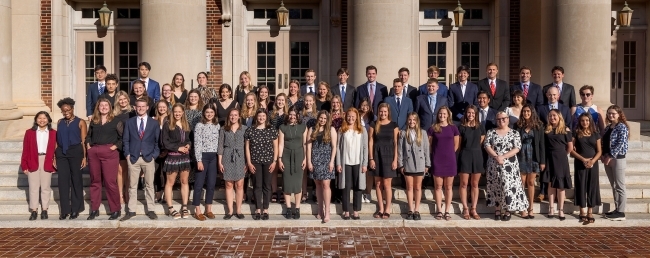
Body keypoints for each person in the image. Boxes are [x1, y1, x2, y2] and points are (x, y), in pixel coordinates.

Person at [121, 98, 161, 221]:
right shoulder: (129, 122)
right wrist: (127, 154)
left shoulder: (154, 123)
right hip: (133, 158)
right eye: (138, 106)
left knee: (149, 185)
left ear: (147, 107)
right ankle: (131, 210)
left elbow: (157, 142)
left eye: (143, 106)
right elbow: (125, 140)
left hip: (148, 158)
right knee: (132, 186)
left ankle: (151, 209)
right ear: (135, 107)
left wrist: (154, 155)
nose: (141, 108)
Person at [484, 111, 528, 221]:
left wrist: (503, 156)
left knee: (508, 187)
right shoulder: (491, 132)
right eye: (498, 119)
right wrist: (496, 157)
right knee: (496, 187)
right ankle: (497, 209)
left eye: (503, 118)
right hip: (494, 164)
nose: (501, 121)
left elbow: (517, 148)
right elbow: (487, 145)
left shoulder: (514, 133)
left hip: (510, 165)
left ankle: (508, 210)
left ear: (508, 119)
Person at [85, 98, 123, 220]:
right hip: (94, 151)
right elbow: (88, 136)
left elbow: (123, 137)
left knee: (110, 182)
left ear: (110, 107)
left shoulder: (116, 121)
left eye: (106, 105)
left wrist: (115, 146)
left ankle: (115, 209)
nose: (104, 107)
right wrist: (88, 145)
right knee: (95, 181)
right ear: (98, 107)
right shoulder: (94, 121)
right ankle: (94, 209)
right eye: (101, 105)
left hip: (109, 152)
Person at [54, 98, 87, 220]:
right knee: (62, 181)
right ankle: (64, 210)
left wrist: (85, 157)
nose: (66, 112)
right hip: (61, 153)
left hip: (76, 152)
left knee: (76, 180)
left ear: (72, 109)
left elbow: (84, 141)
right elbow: (57, 140)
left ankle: (75, 209)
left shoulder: (80, 122)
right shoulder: (59, 122)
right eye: (63, 111)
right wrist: (55, 156)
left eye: (68, 109)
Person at [21, 111, 56, 220]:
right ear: (36, 120)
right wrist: (24, 165)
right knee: (33, 187)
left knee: (45, 187)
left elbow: (56, 149)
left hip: (47, 160)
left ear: (48, 120)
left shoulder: (53, 133)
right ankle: (34, 210)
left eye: (44, 118)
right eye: (39, 118)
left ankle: (45, 209)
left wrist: (55, 163)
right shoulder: (29, 132)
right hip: (33, 160)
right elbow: (25, 150)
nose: (42, 120)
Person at [244, 109, 279, 220]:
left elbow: (276, 147)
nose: (261, 118)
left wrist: (274, 161)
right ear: (256, 117)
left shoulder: (271, 130)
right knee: (257, 185)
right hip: (255, 161)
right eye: (259, 116)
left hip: (268, 161)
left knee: (267, 186)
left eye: (263, 116)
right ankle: (258, 209)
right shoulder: (250, 130)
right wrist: (249, 162)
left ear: (266, 117)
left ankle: (266, 209)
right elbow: (247, 148)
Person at [513, 104, 545, 219]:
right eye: (524, 111)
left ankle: (531, 207)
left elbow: (541, 144)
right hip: (521, 155)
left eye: (528, 111)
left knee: (531, 182)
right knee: (521, 183)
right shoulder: (518, 125)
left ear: (532, 112)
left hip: (534, 156)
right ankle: (522, 207)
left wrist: (542, 161)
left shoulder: (538, 126)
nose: (526, 113)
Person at [161, 103, 192, 220]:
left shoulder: (186, 124)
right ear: (172, 113)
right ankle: (170, 208)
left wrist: (188, 145)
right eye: (175, 112)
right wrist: (178, 148)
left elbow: (189, 139)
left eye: (180, 112)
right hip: (173, 156)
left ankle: (184, 206)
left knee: (184, 181)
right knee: (170, 183)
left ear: (183, 112)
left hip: (185, 157)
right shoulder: (168, 124)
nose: (177, 114)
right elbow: (165, 142)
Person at [336, 108, 368, 220]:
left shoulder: (362, 130)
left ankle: (356, 210)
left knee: (358, 187)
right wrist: (338, 163)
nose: (350, 118)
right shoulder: (342, 130)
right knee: (346, 187)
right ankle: (346, 211)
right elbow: (338, 148)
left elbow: (365, 148)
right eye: (349, 116)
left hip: (358, 162)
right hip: (346, 162)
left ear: (357, 117)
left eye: (353, 116)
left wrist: (365, 163)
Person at [428, 106, 459, 221]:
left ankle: (447, 211)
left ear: (448, 115)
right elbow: (429, 145)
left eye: (444, 114)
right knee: (438, 187)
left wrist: (448, 154)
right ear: (438, 115)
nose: (442, 116)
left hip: (450, 160)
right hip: (437, 160)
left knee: (448, 187)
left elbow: (456, 145)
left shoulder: (453, 128)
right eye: (440, 114)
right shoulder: (433, 128)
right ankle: (439, 211)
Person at [397, 113, 430, 220]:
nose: (412, 122)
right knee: (409, 187)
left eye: (414, 120)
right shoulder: (403, 133)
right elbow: (400, 150)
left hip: (420, 164)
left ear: (417, 121)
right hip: (408, 163)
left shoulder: (423, 133)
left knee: (417, 187)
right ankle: (410, 209)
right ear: (407, 121)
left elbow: (426, 149)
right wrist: (400, 164)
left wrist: (427, 164)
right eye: (410, 120)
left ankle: (417, 209)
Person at [570, 113, 602, 224]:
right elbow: (571, 150)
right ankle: (582, 211)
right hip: (580, 163)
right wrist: (583, 159)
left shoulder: (596, 133)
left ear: (590, 121)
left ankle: (590, 212)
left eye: (587, 120)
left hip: (593, 164)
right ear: (580, 121)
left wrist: (592, 161)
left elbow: (599, 151)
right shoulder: (576, 133)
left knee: (592, 186)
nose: (585, 123)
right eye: (583, 120)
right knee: (581, 185)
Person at [368, 103, 398, 219]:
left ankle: (387, 208)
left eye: (385, 111)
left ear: (388, 112)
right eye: (381, 111)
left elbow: (396, 143)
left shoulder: (394, 125)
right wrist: (371, 158)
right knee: (378, 183)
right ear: (378, 112)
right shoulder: (373, 124)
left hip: (389, 155)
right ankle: (380, 208)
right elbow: (370, 142)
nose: (383, 113)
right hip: (376, 155)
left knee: (387, 184)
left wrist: (395, 160)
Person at [307, 110, 338, 223]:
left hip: (326, 160)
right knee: (318, 185)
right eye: (321, 118)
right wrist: (309, 162)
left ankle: (327, 211)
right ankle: (320, 209)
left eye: (325, 118)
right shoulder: (312, 129)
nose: (323, 120)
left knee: (326, 184)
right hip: (315, 159)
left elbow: (334, 147)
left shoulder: (331, 130)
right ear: (318, 118)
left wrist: (331, 162)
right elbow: (309, 147)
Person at [278, 106, 308, 219]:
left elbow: (305, 144)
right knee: (287, 182)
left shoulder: (303, 127)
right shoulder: (282, 127)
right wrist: (280, 159)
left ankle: (297, 208)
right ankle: (289, 208)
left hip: (299, 155)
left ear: (298, 116)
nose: (292, 117)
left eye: (294, 115)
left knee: (297, 183)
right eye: (290, 114)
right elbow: (280, 144)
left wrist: (305, 158)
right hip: (286, 155)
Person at [543, 109, 573, 220]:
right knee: (551, 184)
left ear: (559, 116)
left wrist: (561, 155)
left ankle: (561, 209)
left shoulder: (565, 130)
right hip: (549, 158)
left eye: (554, 115)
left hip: (561, 159)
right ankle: (551, 208)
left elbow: (570, 147)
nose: (552, 118)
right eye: (550, 116)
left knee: (560, 185)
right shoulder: (546, 130)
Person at [192, 104, 221, 221]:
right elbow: (197, 143)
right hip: (203, 156)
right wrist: (199, 160)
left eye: (212, 112)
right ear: (204, 113)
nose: (209, 114)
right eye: (207, 112)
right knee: (199, 184)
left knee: (211, 183)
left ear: (214, 113)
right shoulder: (199, 126)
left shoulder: (217, 125)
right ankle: (197, 210)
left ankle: (208, 208)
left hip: (213, 156)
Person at [218, 108, 247, 220]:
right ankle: (230, 210)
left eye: (235, 115)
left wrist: (247, 161)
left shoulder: (244, 129)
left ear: (239, 116)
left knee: (239, 185)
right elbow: (220, 146)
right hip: (227, 156)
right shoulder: (223, 129)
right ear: (228, 117)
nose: (233, 117)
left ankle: (238, 210)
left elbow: (247, 146)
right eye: (231, 115)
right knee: (229, 184)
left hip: (240, 157)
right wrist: (220, 162)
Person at [602, 105, 630, 221]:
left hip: (618, 159)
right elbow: (604, 143)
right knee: (614, 185)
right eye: (609, 113)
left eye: (613, 113)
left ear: (619, 114)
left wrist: (611, 156)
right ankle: (617, 209)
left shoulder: (622, 127)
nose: (611, 115)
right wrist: (603, 155)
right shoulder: (608, 128)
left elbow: (620, 143)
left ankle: (621, 212)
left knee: (620, 186)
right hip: (608, 159)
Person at [457, 105, 485, 220]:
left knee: (475, 184)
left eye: (473, 113)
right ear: (466, 114)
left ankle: (473, 208)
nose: (470, 115)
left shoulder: (480, 126)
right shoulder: (461, 127)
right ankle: (465, 208)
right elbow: (459, 144)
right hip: (465, 155)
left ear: (476, 114)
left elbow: (482, 140)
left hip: (477, 155)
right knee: (464, 184)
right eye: (469, 113)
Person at [113, 91, 134, 204]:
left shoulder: (133, 112)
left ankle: (127, 192)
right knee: (120, 171)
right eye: (120, 99)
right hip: (119, 144)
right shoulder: (114, 114)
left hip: (131, 144)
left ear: (128, 99)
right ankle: (120, 194)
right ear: (117, 101)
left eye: (124, 99)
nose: (123, 101)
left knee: (128, 171)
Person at [269, 93, 287, 203]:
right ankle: (274, 191)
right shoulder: (271, 114)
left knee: (285, 169)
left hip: (285, 144)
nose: (280, 102)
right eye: (278, 100)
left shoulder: (288, 114)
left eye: (282, 100)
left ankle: (285, 191)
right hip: (274, 143)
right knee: (274, 169)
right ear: (276, 101)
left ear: (285, 102)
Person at [153, 100, 169, 204]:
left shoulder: (171, 119)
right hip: (156, 149)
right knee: (156, 172)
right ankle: (158, 193)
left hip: (168, 149)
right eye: (160, 107)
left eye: (164, 107)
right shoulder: (154, 120)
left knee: (166, 172)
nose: (162, 109)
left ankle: (166, 194)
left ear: (167, 107)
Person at [358, 99, 374, 203]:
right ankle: (360, 191)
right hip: (357, 146)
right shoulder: (356, 116)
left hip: (369, 146)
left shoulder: (373, 118)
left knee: (368, 171)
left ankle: (368, 192)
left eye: (366, 105)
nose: (364, 107)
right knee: (360, 170)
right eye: (363, 105)